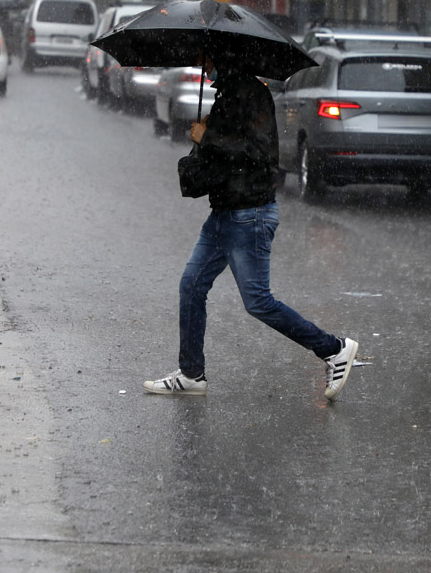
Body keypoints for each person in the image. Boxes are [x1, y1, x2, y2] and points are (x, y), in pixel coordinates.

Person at [142, 52, 359, 401]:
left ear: (222, 57)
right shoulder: (229, 93)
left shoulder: (251, 94)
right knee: (191, 286)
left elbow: (256, 152)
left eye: (206, 58)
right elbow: (232, 150)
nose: (203, 66)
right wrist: (208, 134)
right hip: (225, 212)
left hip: (249, 214)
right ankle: (191, 373)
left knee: (258, 301)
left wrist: (207, 136)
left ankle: (334, 348)